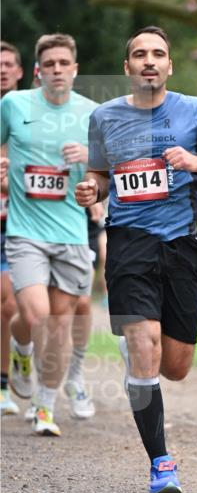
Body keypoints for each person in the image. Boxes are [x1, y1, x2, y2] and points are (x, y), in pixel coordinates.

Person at [75, 25, 197, 493]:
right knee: (144, 345)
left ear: (170, 66)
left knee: (175, 366)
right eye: (139, 54)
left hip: (182, 246)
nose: (149, 61)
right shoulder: (105, 118)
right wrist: (93, 189)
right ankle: (161, 463)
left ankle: (140, 359)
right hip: (129, 243)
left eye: (158, 54)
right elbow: (100, 175)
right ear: (127, 67)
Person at [0, 33, 97, 435]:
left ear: (75, 69)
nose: (58, 70)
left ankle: (45, 407)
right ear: (39, 71)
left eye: (64, 63)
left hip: (72, 233)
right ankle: (21, 352)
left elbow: (109, 170)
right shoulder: (14, 104)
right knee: (37, 315)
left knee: (59, 322)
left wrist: (90, 159)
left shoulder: (93, 113)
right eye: (50, 64)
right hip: (25, 232)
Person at [0, 41, 23, 416]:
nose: (2, 70)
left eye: (8, 64)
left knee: (10, 304)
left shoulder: (36, 114)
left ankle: (6, 379)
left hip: (21, 221)